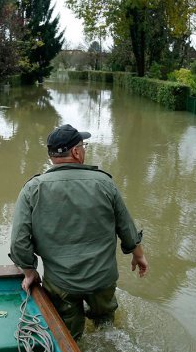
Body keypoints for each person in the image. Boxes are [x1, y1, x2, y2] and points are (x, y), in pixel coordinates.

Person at [9, 123, 148, 340]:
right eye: (83, 146)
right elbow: (126, 226)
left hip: (62, 283)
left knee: (70, 336)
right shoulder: (104, 183)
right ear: (75, 152)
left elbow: (18, 241)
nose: (84, 150)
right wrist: (138, 255)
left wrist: (29, 271)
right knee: (106, 328)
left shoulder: (33, 189)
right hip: (102, 279)